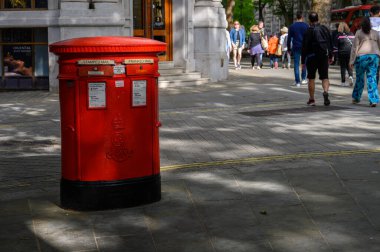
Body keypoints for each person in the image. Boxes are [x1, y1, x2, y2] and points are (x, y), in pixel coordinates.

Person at [302, 11, 333, 106]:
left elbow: (304, 46)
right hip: (323, 55)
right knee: (325, 77)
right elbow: (329, 42)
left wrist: (303, 61)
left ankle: (312, 99)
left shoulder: (308, 31)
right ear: (318, 19)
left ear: (309, 20)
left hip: (311, 57)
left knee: (311, 78)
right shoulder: (324, 29)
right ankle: (326, 92)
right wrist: (331, 55)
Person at [349, 16, 380, 107]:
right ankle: (373, 100)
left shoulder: (358, 33)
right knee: (372, 78)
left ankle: (356, 98)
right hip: (374, 57)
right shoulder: (375, 33)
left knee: (360, 78)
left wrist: (351, 60)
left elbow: (355, 48)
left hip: (361, 58)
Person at [288, 11, 309, 87]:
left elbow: (289, 38)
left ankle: (297, 81)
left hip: (296, 46)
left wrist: (289, 49)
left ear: (296, 17)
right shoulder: (306, 26)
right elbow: (308, 37)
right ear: (302, 17)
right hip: (305, 47)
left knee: (296, 64)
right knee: (304, 63)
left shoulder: (292, 26)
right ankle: (303, 79)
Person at [336, 22, 354, 87]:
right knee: (349, 65)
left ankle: (343, 82)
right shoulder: (352, 34)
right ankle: (351, 76)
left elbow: (336, 46)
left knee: (343, 67)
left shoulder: (339, 35)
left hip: (342, 53)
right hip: (350, 52)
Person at [370, 5, 380, 85]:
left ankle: (374, 88)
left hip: (370, 50)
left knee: (373, 71)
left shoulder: (366, 22)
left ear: (370, 13)